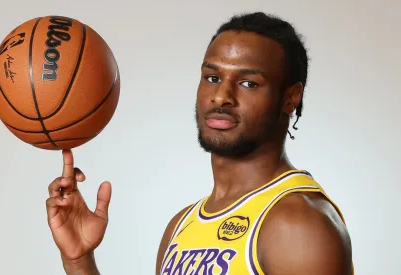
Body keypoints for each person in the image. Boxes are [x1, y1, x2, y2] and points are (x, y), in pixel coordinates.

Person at [45, 12, 353, 275]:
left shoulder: (299, 226)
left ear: (290, 97)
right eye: (212, 78)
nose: (221, 96)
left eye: (249, 83)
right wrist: (81, 261)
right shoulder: (180, 226)